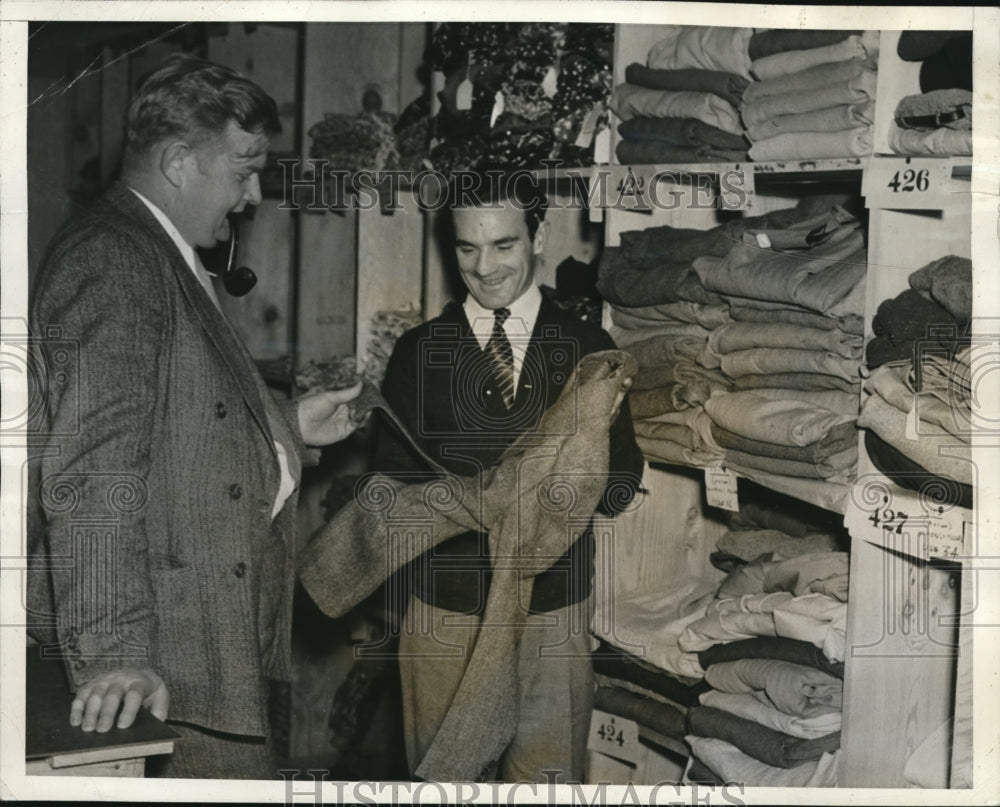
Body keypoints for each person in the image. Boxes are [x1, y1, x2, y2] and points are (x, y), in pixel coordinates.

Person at [27, 54, 363, 779]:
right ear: (179, 161)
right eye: (243, 170)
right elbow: (93, 471)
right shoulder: (116, 259)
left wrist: (284, 425)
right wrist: (116, 656)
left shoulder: (156, 250)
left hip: (207, 648)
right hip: (165, 664)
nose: (252, 198)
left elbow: (176, 415)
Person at [372, 173, 644, 783]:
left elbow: (625, 472)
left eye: (503, 245)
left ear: (538, 236)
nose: (484, 267)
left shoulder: (585, 345)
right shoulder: (420, 351)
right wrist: (472, 504)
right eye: (467, 248)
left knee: (546, 783)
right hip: (446, 608)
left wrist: (562, 498)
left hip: (552, 610)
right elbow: (384, 485)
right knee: (443, 785)